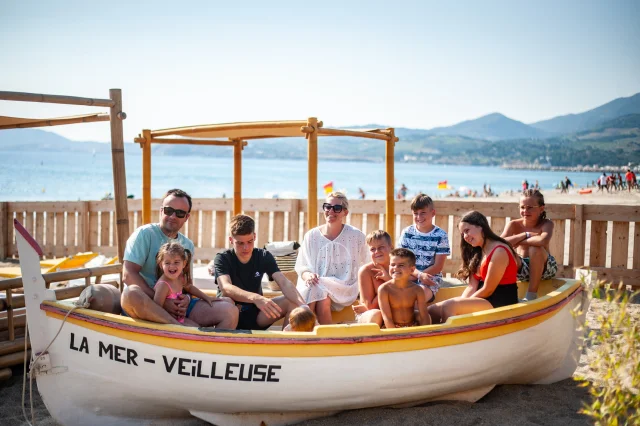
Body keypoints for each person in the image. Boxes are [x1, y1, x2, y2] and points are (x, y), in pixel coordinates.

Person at [121, 189, 238, 328]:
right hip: (146, 304)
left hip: (176, 306)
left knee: (230, 311)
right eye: (169, 210)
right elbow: (128, 274)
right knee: (131, 293)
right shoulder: (144, 234)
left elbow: (187, 284)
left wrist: (186, 299)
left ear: (186, 217)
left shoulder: (187, 245)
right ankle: (179, 327)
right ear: (161, 211)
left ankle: (209, 348)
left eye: (180, 213)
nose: (173, 216)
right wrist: (163, 301)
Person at [212, 214, 306, 330]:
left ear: (255, 236)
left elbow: (284, 283)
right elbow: (226, 287)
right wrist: (256, 298)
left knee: (293, 302)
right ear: (231, 240)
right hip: (231, 313)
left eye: (249, 241)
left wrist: (304, 306)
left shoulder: (263, 256)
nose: (246, 247)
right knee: (227, 301)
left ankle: (285, 343)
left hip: (256, 314)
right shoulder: (222, 258)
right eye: (240, 243)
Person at [428, 211, 519, 324]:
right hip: (483, 299)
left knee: (449, 307)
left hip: (500, 301)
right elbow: (472, 286)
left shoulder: (499, 251)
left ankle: (448, 339)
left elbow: (488, 289)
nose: (465, 237)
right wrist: (461, 302)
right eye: (462, 234)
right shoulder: (477, 251)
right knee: (431, 311)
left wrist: (460, 305)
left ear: (481, 226)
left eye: (467, 231)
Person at [295, 192, 367, 324]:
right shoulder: (311, 236)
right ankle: (323, 335)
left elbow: (367, 263)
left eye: (337, 208)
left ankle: (302, 330)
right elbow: (302, 268)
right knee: (319, 292)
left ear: (345, 212)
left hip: (345, 286)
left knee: (317, 289)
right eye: (327, 207)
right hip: (318, 286)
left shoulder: (356, 236)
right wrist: (309, 276)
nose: (331, 211)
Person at [500, 189, 557, 300]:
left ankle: (531, 295)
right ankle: (501, 292)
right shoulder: (513, 224)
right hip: (522, 268)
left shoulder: (546, 224)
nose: (525, 211)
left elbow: (542, 241)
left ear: (541, 209)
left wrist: (518, 241)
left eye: (530, 207)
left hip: (545, 268)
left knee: (535, 248)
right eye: (522, 207)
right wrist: (525, 235)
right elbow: (500, 242)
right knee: (503, 251)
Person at [398, 194, 450, 304]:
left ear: (433, 213)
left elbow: (438, 266)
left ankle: (419, 320)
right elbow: (401, 260)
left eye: (423, 213)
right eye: (415, 213)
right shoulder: (407, 233)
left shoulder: (441, 235)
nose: (419, 217)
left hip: (430, 278)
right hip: (408, 275)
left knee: (417, 298)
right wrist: (416, 275)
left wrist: (419, 276)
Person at [153, 242, 218, 326]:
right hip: (169, 322)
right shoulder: (163, 285)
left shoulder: (180, 277)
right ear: (161, 265)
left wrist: (206, 297)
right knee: (196, 329)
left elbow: (189, 287)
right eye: (167, 263)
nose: (172, 266)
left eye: (176, 262)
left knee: (198, 327)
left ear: (184, 263)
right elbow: (156, 308)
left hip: (180, 318)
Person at [378, 248, 430, 328]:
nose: (395, 268)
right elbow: (387, 317)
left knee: (428, 317)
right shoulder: (384, 289)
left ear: (412, 269)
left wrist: (425, 334)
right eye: (392, 264)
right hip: (392, 327)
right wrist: (396, 335)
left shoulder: (417, 290)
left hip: (412, 325)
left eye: (401, 265)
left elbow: (424, 316)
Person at [352, 230, 393, 327]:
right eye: (372, 249)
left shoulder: (398, 267)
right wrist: (388, 284)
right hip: (370, 314)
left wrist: (388, 279)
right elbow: (370, 307)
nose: (377, 252)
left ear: (391, 247)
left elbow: (407, 295)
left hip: (394, 311)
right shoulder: (365, 271)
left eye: (381, 247)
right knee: (376, 314)